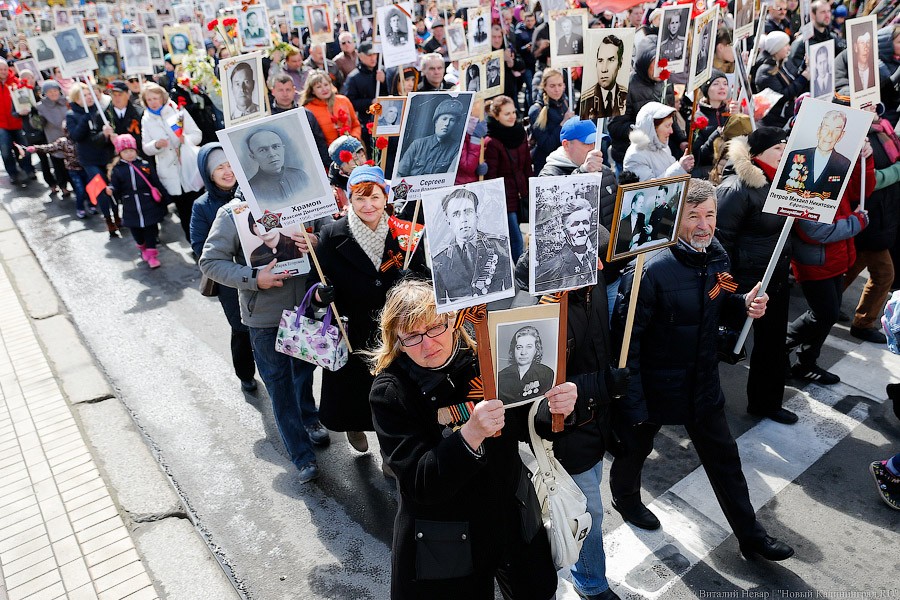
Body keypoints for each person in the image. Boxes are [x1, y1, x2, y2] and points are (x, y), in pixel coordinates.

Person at [610, 179, 795, 564]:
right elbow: (627, 345)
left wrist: (743, 301)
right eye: (693, 216)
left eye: (709, 215)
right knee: (634, 451)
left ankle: (750, 536)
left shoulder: (716, 256)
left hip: (702, 383)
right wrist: (633, 403)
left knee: (725, 460)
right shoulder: (648, 270)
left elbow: (718, 293)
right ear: (676, 219)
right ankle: (626, 501)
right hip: (657, 386)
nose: (703, 225)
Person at [368, 278, 576, 600]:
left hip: (510, 515)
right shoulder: (391, 392)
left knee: (536, 591)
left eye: (435, 327)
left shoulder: (485, 358)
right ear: (396, 340)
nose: (428, 344)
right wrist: (469, 435)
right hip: (447, 534)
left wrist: (556, 409)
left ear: (452, 320)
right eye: (412, 336)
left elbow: (527, 425)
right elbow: (419, 483)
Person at [199, 186, 328, 484]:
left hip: (304, 307)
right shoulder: (232, 213)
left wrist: (315, 241)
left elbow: (327, 230)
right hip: (264, 317)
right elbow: (210, 262)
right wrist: (255, 278)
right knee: (278, 383)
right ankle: (301, 454)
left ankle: (309, 419)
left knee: (303, 371)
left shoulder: (299, 199)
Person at [313, 166, 427, 453]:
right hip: (353, 330)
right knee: (355, 392)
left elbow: (425, 273)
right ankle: (353, 424)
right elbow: (314, 283)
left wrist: (412, 279)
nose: (368, 206)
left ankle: (391, 455)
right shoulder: (330, 235)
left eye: (374, 197)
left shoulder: (405, 233)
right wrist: (320, 295)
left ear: (385, 197)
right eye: (360, 199)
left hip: (394, 328)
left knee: (396, 395)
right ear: (349, 199)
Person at [716, 127, 799, 424]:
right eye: (779, 149)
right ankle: (701, 402)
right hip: (741, 284)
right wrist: (726, 288)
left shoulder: (786, 184)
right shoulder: (735, 189)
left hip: (773, 280)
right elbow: (718, 242)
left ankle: (766, 403)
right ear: (757, 154)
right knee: (718, 344)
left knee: (772, 345)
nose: (785, 154)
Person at [786, 140, 873, 385]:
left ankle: (806, 362)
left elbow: (861, 189)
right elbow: (813, 231)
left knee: (826, 315)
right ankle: (787, 348)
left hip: (836, 257)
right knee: (824, 314)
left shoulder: (836, 168)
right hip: (814, 261)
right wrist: (856, 223)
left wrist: (863, 158)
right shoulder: (802, 172)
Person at [190, 143, 261, 393]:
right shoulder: (202, 206)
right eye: (220, 167)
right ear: (208, 173)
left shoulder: (254, 193)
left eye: (230, 165)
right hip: (230, 280)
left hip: (264, 270)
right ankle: (245, 372)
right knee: (241, 328)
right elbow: (200, 247)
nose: (227, 171)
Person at [140, 82, 204, 240]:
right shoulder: (146, 119)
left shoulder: (177, 111)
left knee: (199, 207)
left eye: (156, 97)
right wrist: (156, 145)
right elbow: (146, 147)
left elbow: (197, 134)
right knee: (183, 211)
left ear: (162, 97)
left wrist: (186, 139)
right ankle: (194, 243)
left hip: (188, 167)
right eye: (149, 99)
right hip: (169, 171)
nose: (153, 101)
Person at [432, 188, 512, 302]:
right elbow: (442, 305)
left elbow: (510, 289)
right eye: (456, 214)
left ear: (476, 215)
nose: (463, 219)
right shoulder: (439, 261)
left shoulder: (499, 246)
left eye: (468, 212)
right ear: (448, 222)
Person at [106, 134, 167, 268]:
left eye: (131, 150)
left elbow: (155, 181)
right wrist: (111, 189)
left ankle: (152, 255)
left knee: (151, 229)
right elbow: (115, 185)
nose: (129, 154)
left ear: (136, 150)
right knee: (136, 231)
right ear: (120, 153)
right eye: (125, 151)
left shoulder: (144, 165)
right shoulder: (118, 170)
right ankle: (142, 247)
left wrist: (165, 197)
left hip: (148, 203)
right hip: (130, 206)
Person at [66, 82, 119, 235]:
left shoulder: (100, 111)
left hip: (105, 156)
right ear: (76, 99)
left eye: (90, 94)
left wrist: (109, 134)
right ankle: (108, 219)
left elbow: (105, 135)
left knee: (112, 187)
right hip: (89, 159)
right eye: (85, 95)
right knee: (101, 188)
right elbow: (76, 136)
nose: (90, 97)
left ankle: (117, 216)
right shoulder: (72, 115)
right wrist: (85, 118)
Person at [484, 95, 532, 261]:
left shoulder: (520, 133)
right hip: (504, 198)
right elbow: (492, 176)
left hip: (520, 194)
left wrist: (529, 189)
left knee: (520, 234)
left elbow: (527, 165)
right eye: (506, 114)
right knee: (516, 239)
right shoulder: (491, 141)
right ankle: (521, 277)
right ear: (496, 116)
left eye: (513, 112)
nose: (512, 116)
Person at [776, 110, 851, 202]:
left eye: (836, 130)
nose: (829, 135)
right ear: (819, 131)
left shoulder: (845, 164)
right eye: (826, 128)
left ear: (841, 135)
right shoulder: (794, 156)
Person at [534, 197, 598, 292]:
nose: (581, 229)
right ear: (563, 230)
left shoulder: (594, 258)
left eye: (585, 223)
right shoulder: (552, 269)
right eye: (575, 224)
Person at [623, 102, 694, 181]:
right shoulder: (635, 156)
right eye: (667, 126)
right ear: (652, 128)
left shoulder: (663, 147)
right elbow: (648, 189)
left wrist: (685, 166)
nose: (671, 131)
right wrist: (680, 168)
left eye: (671, 125)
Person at [396, 96, 464, 177]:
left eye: (452, 120)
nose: (447, 124)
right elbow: (399, 174)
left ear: (455, 125)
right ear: (436, 121)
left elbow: (449, 179)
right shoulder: (417, 145)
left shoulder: (456, 149)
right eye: (444, 119)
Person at [752, 31, 808, 129]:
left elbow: (793, 77)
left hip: (785, 117)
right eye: (785, 45)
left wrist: (804, 66)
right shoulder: (765, 71)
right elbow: (782, 96)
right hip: (775, 122)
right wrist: (803, 78)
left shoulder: (782, 62)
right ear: (776, 49)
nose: (789, 48)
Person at [244, 128, 310, 208]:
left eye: (276, 147)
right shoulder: (251, 190)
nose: (272, 154)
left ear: (283, 149)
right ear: (253, 156)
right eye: (262, 150)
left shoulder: (301, 176)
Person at [300, 70, 361, 146]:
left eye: (326, 85)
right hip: (327, 153)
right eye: (319, 87)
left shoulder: (343, 100)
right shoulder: (308, 110)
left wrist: (354, 138)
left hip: (351, 148)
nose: (324, 89)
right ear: (312, 91)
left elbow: (356, 124)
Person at [498, 326, 554, 406]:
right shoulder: (501, 376)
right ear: (514, 350)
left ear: (536, 350)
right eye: (519, 347)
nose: (523, 352)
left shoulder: (546, 373)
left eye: (529, 347)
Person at [529, 68, 571, 174]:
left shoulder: (565, 102)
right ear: (544, 87)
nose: (557, 90)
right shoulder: (536, 110)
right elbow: (547, 145)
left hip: (566, 162)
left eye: (560, 85)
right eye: (552, 86)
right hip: (546, 165)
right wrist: (563, 124)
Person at [34, 80, 71, 197]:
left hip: (70, 139)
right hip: (54, 139)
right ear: (45, 93)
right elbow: (37, 125)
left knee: (72, 163)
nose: (53, 93)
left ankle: (75, 185)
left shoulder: (67, 101)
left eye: (55, 90)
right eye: (50, 91)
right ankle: (63, 186)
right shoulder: (40, 106)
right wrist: (34, 117)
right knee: (58, 165)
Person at [580, 34, 627, 119]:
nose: (604, 69)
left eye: (611, 60)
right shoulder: (586, 101)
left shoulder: (626, 96)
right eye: (600, 60)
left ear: (620, 63)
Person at [104, 81, 145, 159]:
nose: (117, 98)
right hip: (115, 160)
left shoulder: (139, 112)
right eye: (113, 95)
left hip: (137, 157)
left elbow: (144, 136)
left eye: (120, 95)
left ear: (127, 95)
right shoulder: (104, 115)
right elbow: (96, 141)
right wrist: (104, 135)